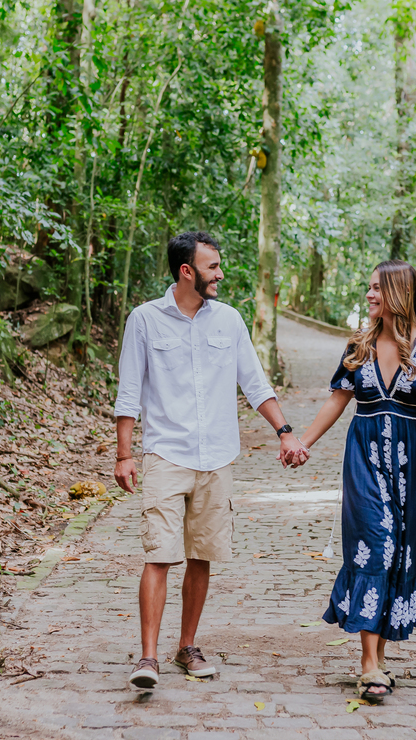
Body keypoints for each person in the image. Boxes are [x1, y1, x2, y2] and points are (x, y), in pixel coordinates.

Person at [114, 231, 306, 689]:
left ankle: (187, 647)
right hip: (165, 453)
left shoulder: (229, 321)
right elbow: (129, 392)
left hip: (217, 456)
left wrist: (285, 432)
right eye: (213, 266)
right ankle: (147, 658)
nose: (220, 274)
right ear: (187, 271)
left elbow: (255, 384)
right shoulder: (144, 320)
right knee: (159, 554)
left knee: (201, 556)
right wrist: (124, 454)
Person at [292, 259, 416, 702]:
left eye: (376, 289)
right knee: (375, 543)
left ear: (399, 293)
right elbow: (338, 400)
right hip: (364, 458)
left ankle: (378, 658)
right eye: (367, 288)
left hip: (414, 462)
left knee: (401, 551)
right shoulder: (358, 346)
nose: (369, 295)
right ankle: (369, 664)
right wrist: (302, 443)